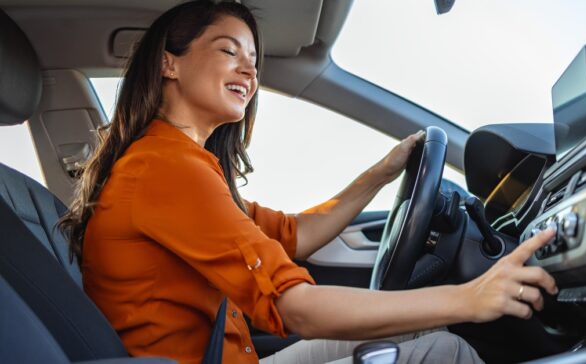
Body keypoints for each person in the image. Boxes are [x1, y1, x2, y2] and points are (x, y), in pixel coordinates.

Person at [58, 1, 558, 363]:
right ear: (170, 62)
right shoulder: (166, 169)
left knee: (427, 324)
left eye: (253, 59)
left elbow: (295, 235)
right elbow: (294, 306)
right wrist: (472, 296)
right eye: (229, 50)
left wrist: (382, 173)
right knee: (445, 349)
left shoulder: (180, 163)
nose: (248, 70)